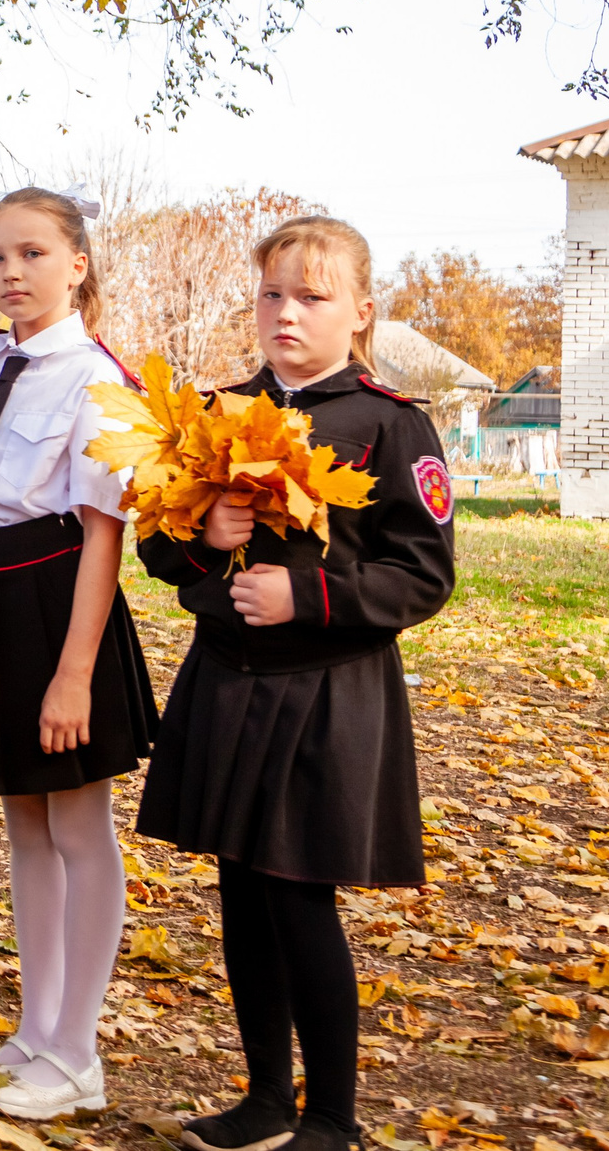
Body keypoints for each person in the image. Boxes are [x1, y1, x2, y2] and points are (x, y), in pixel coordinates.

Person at [138, 218, 454, 1151]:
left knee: (296, 893)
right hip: (229, 683)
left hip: (326, 691)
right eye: (273, 292)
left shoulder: (395, 423)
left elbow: (423, 573)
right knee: (241, 889)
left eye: (313, 296)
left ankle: (333, 1117)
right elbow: (159, 545)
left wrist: (309, 592)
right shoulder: (214, 413)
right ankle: (268, 1098)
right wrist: (207, 540)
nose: (287, 312)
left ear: (360, 311)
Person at [0, 186, 158, 1119]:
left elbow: (102, 535)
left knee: (75, 822)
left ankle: (78, 1046)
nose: (10, 273)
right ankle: (36, 1025)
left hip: (57, 598)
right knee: (23, 822)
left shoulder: (100, 378)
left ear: (77, 264)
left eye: (30, 254)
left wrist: (73, 674)